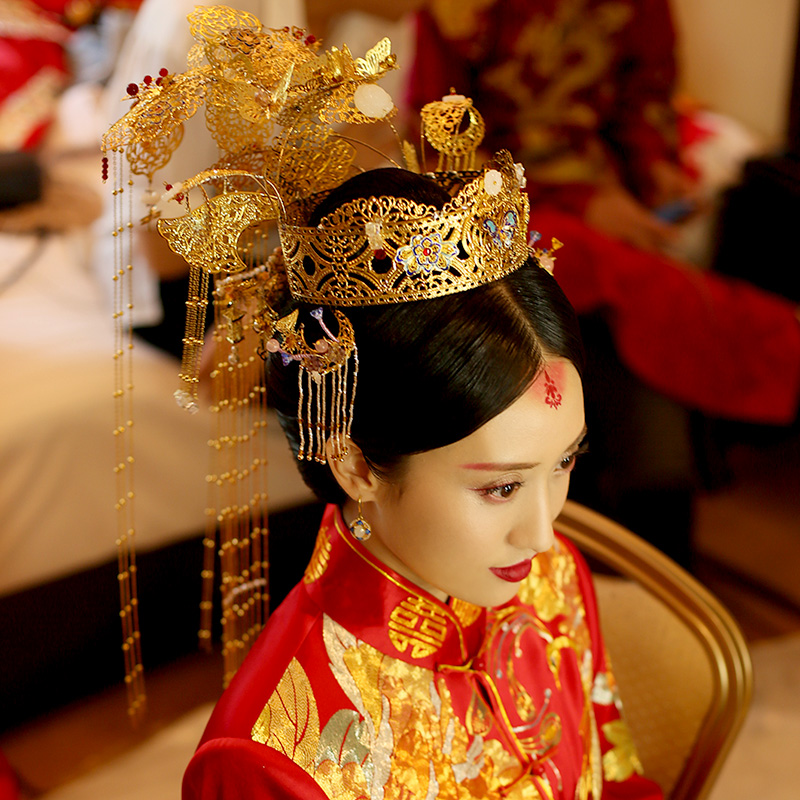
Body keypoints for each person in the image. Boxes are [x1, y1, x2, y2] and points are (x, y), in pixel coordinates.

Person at [106, 8, 661, 796]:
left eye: (563, 464)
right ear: (357, 463)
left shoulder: (550, 577)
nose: (544, 532)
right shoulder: (276, 757)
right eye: (501, 485)